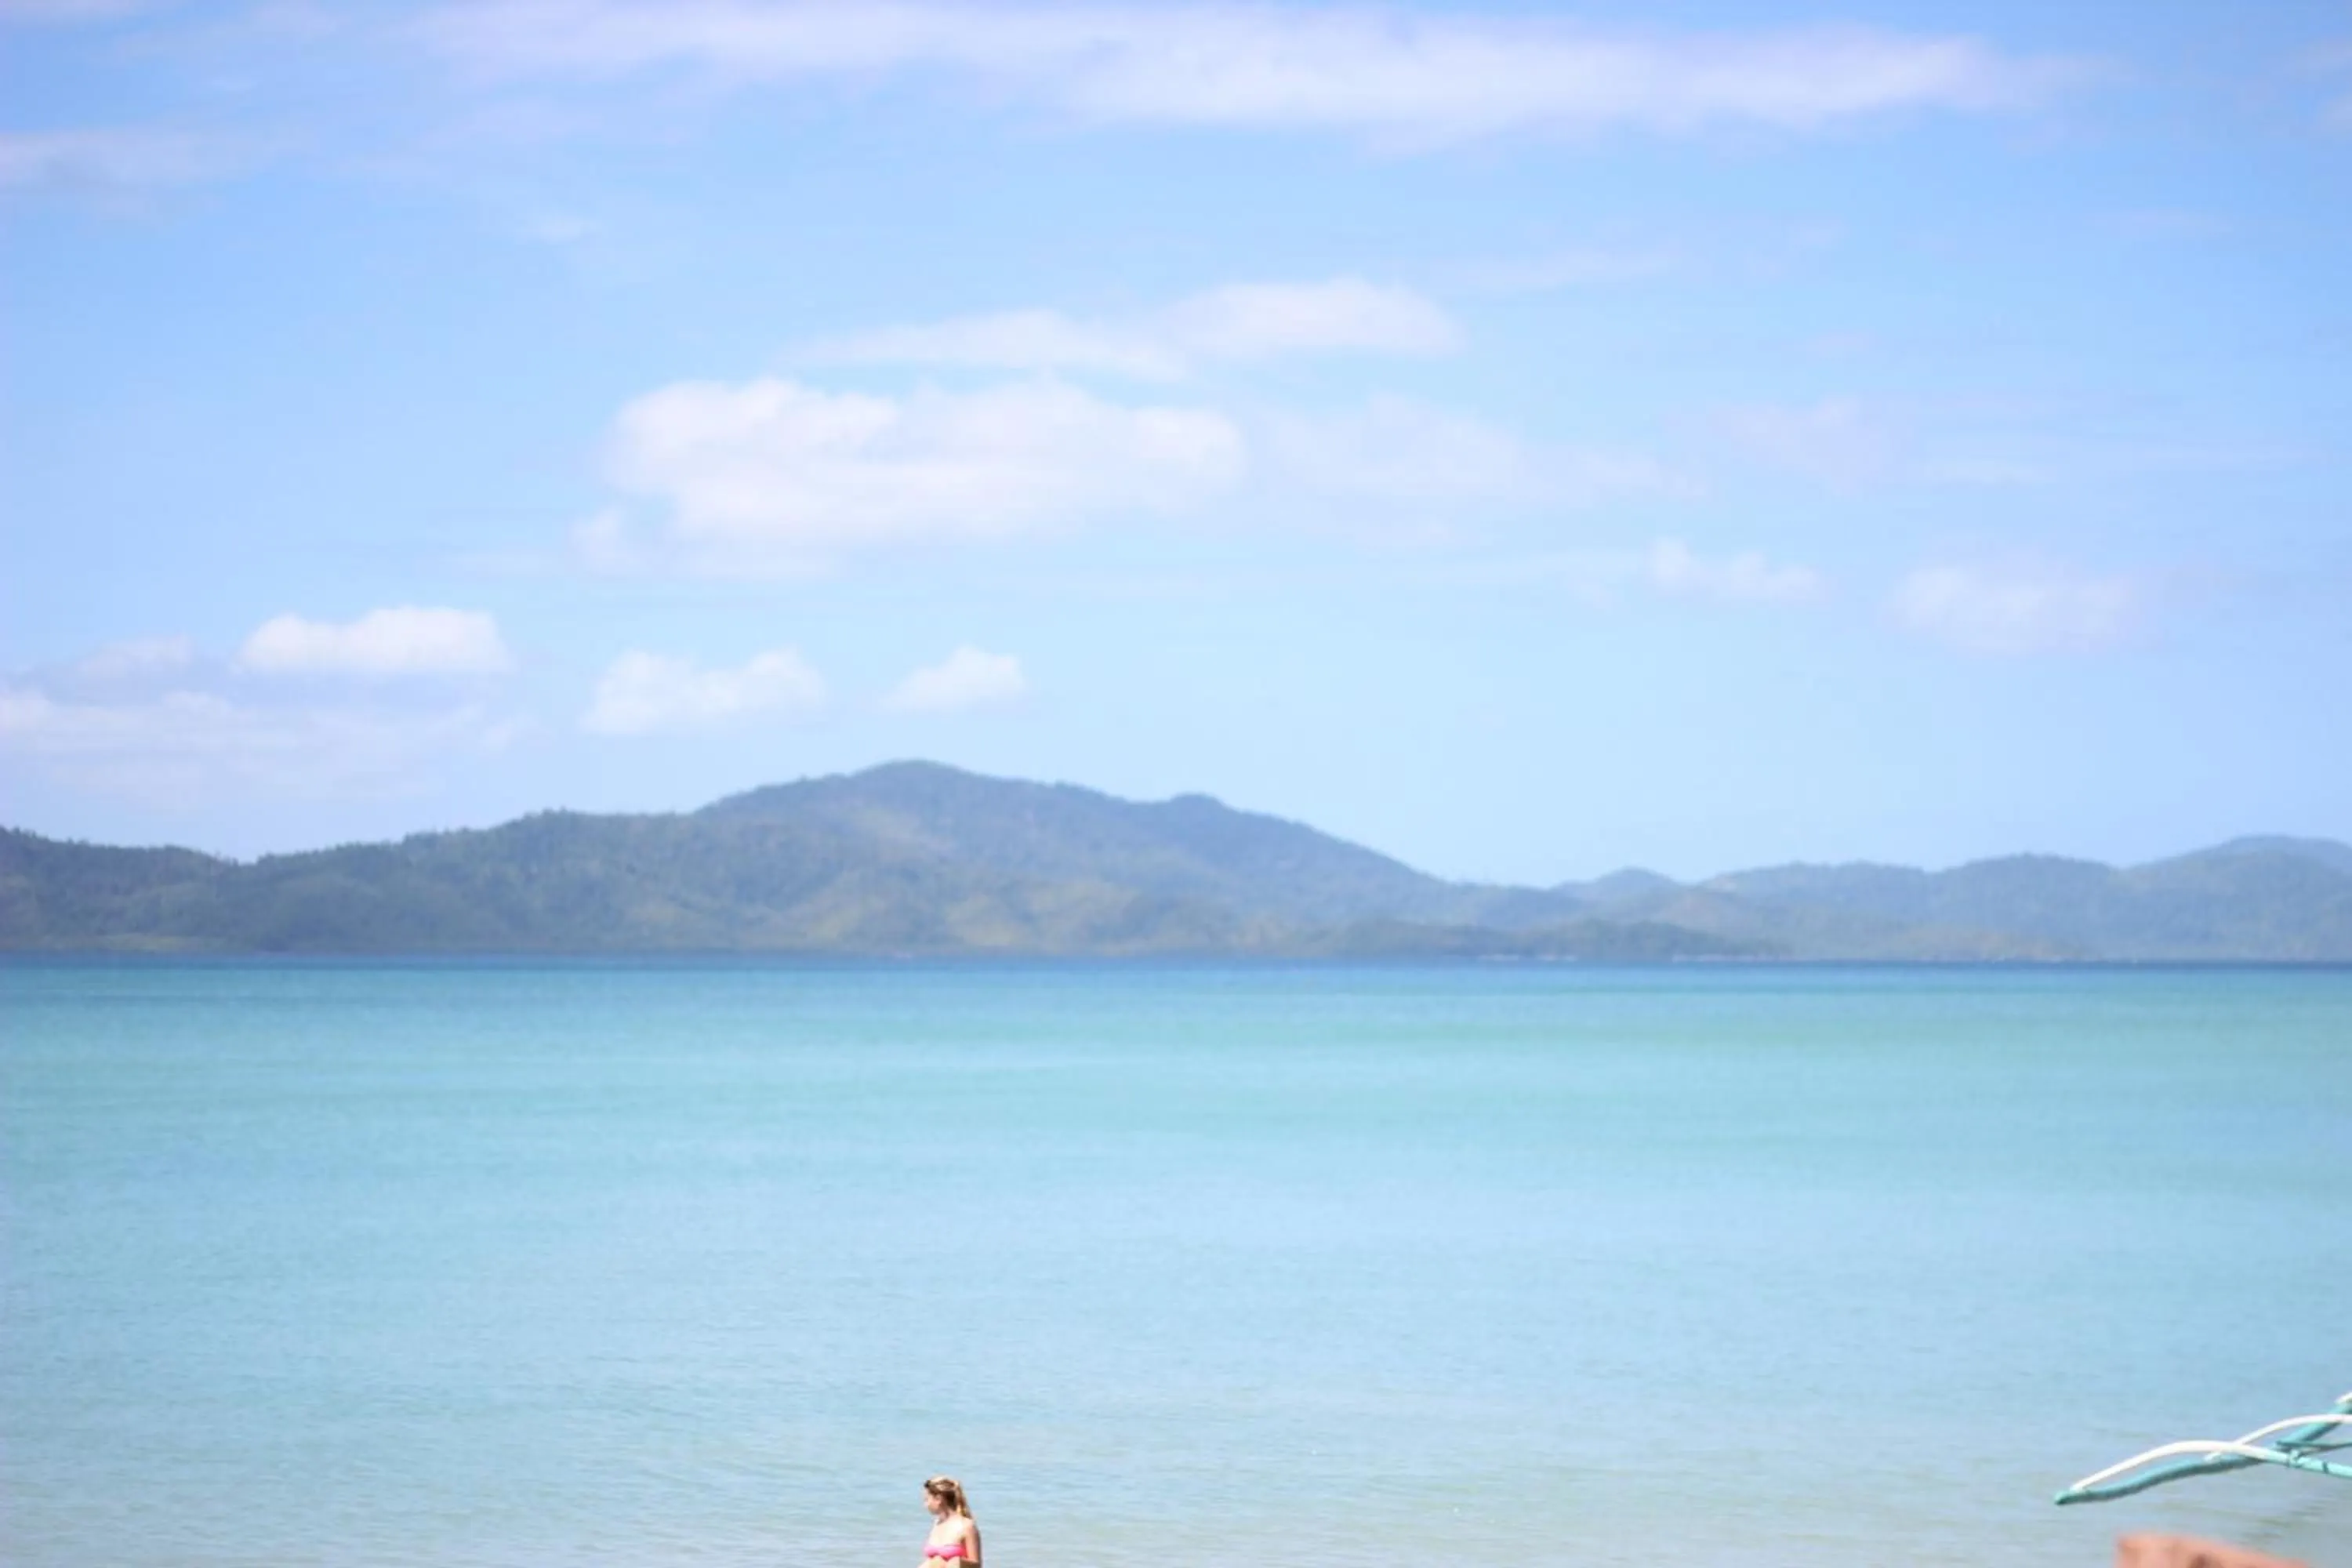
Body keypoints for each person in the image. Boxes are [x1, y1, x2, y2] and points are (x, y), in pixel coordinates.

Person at [920, 1475, 982, 1568]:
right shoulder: (937, 1524)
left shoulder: (967, 1526)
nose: (925, 1505)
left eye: (927, 1500)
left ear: (938, 1499)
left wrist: (956, 1562)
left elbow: (977, 1565)